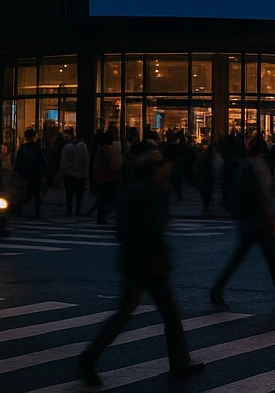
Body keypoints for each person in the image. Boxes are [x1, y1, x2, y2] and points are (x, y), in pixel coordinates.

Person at [78, 146, 202, 387]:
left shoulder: (129, 192)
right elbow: (155, 227)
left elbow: (123, 230)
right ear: (152, 173)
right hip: (151, 261)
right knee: (168, 313)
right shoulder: (153, 193)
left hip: (133, 259)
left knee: (126, 314)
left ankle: (90, 358)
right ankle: (179, 362)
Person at [210, 137, 275, 310]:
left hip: (250, 221)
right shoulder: (256, 167)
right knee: (269, 260)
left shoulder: (246, 166)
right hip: (258, 222)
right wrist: (269, 218)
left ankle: (218, 289)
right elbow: (262, 196)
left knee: (245, 258)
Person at [91, 131, 124, 225]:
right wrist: (115, 170)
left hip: (101, 177)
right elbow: (108, 161)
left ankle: (102, 217)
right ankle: (103, 217)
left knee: (103, 199)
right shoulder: (105, 149)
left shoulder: (99, 149)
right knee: (110, 198)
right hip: (107, 177)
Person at [14, 128, 48, 217]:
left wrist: (18, 172)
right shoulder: (37, 148)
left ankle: (19, 207)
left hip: (25, 172)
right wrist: (44, 171)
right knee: (36, 192)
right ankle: (37, 210)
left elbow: (19, 161)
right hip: (36, 172)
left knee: (25, 191)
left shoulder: (23, 148)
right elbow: (42, 161)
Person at [60, 128, 90, 217]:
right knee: (78, 194)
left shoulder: (68, 147)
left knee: (69, 194)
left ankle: (70, 209)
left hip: (70, 174)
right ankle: (77, 209)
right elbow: (84, 161)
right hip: (78, 174)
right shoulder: (81, 147)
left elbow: (64, 161)